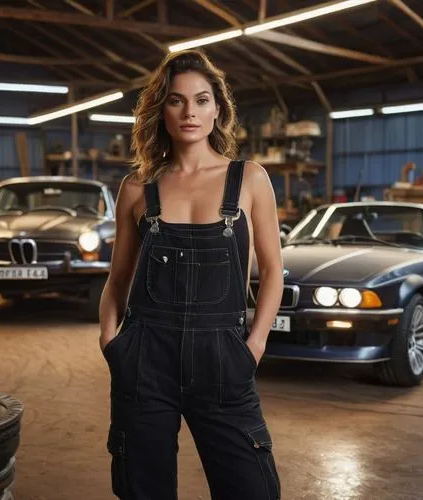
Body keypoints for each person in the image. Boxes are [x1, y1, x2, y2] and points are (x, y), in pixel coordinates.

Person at [99, 49, 284, 500]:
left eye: (201, 100)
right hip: (145, 360)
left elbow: (274, 270)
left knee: (253, 490)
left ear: (218, 108)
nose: (190, 112)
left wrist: (254, 346)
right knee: (144, 491)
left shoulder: (251, 179)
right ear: (161, 109)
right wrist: (112, 345)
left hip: (224, 360)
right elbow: (118, 278)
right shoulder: (137, 188)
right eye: (177, 101)